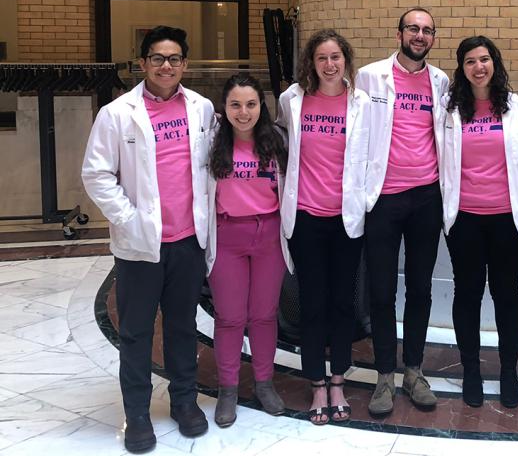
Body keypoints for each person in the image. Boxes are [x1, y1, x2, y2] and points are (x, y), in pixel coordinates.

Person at [81, 26, 216, 453]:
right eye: (157, 58)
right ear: (142, 63)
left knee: (182, 326)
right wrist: (129, 219)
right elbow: (96, 174)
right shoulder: (117, 112)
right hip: (141, 245)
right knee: (137, 332)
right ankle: (137, 414)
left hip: (188, 240)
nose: (166, 66)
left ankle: (183, 402)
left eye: (174, 58)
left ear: (185, 64)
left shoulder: (202, 108)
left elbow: (212, 168)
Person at [355, 7, 449, 417]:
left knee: (421, 288)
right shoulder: (370, 77)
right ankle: (383, 376)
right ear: (399, 34)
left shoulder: (442, 81)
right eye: (413, 28)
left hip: (427, 196)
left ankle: (413, 370)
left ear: (432, 39)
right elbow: (357, 134)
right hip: (384, 198)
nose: (420, 35)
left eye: (427, 30)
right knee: (380, 290)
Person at [276, 29, 369, 425]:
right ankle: (316, 382)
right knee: (312, 302)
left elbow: (373, 155)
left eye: (336, 57)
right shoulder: (292, 100)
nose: (330, 65)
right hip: (306, 218)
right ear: (311, 63)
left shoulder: (362, 103)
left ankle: (338, 380)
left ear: (346, 60)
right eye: (321, 58)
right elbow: (281, 150)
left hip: (346, 220)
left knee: (342, 302)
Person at [441, 36, 518, 409]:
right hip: (465, 220)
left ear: (495, 62)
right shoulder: (449, 110)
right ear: (461, 69)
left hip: (507, 220)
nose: (479, 67)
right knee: (468, 296)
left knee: (507, 296)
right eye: (471, 62)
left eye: (485, 59)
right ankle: (471, 373)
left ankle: (508, 372)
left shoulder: (515, 108)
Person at [206, 74, 287, 428]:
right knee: (229, 317)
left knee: (264, 315)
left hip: (269, 235)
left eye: (251, 104)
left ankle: (265, 382)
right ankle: (228, 388)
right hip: (227, 236)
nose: (243, 112)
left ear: (261, 106)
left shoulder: (276, 142)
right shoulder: (211, 144)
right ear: (224, 108)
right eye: (235, 104)